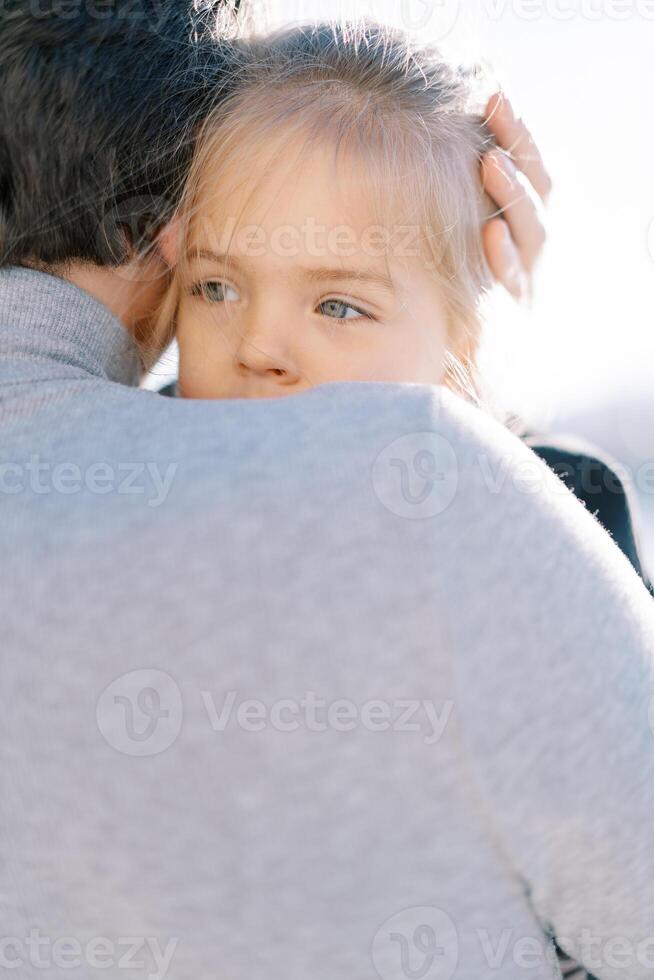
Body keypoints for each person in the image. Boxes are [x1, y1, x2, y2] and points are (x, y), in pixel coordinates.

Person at [1, 4, 653, 979]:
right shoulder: (158, 478)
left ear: (465, 347)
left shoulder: (557, 495)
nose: (260, 345)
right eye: (217, 288)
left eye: (338, 303)